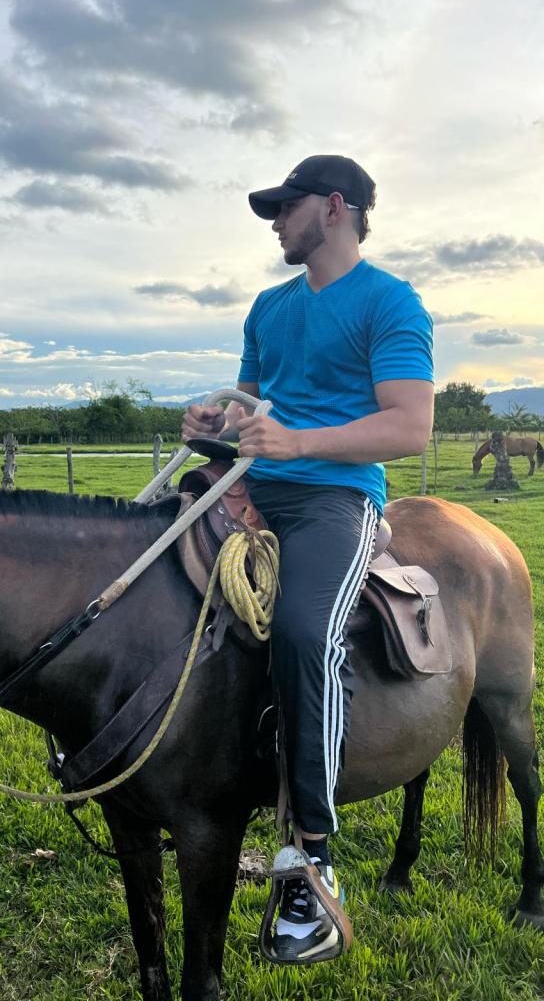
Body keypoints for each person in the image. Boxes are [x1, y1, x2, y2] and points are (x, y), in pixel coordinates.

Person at [182, 154, 434, 964]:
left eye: (283, 208)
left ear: (334, 208)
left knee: (300, 629)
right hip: (251, 483)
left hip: (336, 498)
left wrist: (298, 441)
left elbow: (407, 428)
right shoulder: (269, 306)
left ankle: (312, 856)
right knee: (134, 570)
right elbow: (252, 405)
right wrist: (213, 422)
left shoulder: (391, 304)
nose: (274, 223)